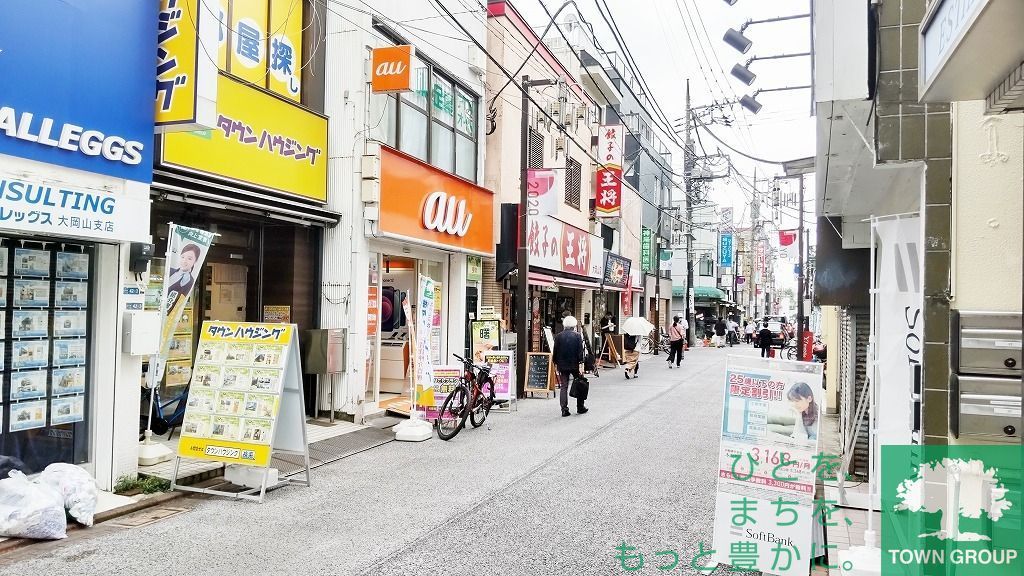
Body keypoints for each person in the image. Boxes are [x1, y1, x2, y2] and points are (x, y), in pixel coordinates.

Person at [552, 316, 587, 417]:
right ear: (574, 325)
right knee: (580, 384)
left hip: (562, 364)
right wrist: (581, 364)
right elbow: (580, 352)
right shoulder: (577, 336)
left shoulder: (558, 336)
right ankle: (580, 407)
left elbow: (555, 352)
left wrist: (555, 362)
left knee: (564, 386)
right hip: (575, 364)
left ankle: (564, 409)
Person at [166, 243, 201, 311]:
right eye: (183, 257)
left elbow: (180, 301)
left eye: (189, 258)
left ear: (195, 261)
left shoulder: (189, 281)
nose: (184, 261)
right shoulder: (170, 270)